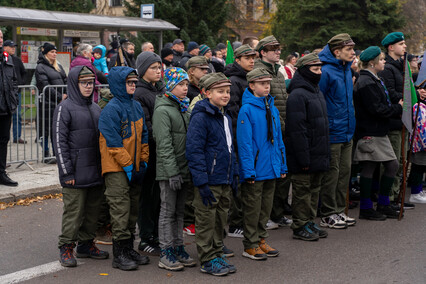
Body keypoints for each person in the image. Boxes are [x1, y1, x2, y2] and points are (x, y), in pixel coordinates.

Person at [54, 66, 109, 267]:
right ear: (74, 84)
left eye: (91, 82)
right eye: (84, 82)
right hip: (75, 173)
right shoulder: (64, 107)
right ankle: (66, 246)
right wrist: (67, 172)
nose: (88, 86)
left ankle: (86, 244)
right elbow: (59, 143)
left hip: (95, 172)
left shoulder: (96, 108)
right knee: (74, 212)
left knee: (93, 211)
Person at [186, 72, 238, 276]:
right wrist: (201, 181)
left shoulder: (225, 116)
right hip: (209, 180)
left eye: (227, 91)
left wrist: (233, 174)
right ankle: (207, 258)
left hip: (224, 178)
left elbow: (229, 147)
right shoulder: (201, 117)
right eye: (219, 91)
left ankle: (216, 251)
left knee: (219, 219)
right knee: (206, 220)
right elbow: (194, 150)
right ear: (206, 93)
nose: (225, 95)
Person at [99, 67, 150, 271]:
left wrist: (143, 161)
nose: (133, 85)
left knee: (132, 210)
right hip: (117, 168)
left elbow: (144, 135)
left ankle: (128, 248)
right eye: (129, 82)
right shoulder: (110, 109)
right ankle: (119, 254)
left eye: (134, 82)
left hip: (135, 166)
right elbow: (113, 144)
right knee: (120, 210)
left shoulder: (136, 106)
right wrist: (128, 165)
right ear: (119, 84)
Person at [237, 68, 287, 260]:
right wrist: (248, 170)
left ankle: (261, 239)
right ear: (252, 86)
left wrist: (282, 165)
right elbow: (245, 143)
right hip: (256, 170)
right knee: (253, 208)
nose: (266, 86)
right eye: (262, 83)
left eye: (268, 83)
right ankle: (250, 243)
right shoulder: (246, 110)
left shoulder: (272, 108)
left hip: (272, 167)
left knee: (265, 208)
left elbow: (279, 140)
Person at [152, 67, 195, 271]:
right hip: (170, 171)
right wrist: (172, 172)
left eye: (186, 84)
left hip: (184, 169)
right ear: (170, 85)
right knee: (168, 211)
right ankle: (166, 251)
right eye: (180, 84)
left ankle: (178, 246)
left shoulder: (183, 107)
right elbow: (164, 145)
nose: (185, 88)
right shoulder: (163, 110)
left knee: (179, 212)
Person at [353, 46, 403, 220]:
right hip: (371, 130)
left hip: (377, 129)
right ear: (373, 63)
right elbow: (376, 109)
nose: (384, 62)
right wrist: (398, 108)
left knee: (382, 165)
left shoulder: (373, 79)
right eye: (381, 59)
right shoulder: (366, 82)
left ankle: (381, 204)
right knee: (382, 165)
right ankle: (368, 207)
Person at [285, 53, 330, 241]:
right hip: (304, 154)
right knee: (302, 192)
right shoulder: (297, 95)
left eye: (320, 69)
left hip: (317, 151)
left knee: (313, 190)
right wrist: (303, 158)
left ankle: (309, 221)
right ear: (304, 71)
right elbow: (297, 130)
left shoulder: (316, 91)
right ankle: (299, 225)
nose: (319, 72)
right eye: (315, 69)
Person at [317, 33, 357, 228]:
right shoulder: (325, 72)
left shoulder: (346, 70)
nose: (353, 52)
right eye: (349, 49)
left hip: (348, 129)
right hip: (333, 130)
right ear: (336, 51)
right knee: (332, 174)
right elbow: (320, 100)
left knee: (344, 172)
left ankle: (339, 210)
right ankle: (327, 212)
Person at [254, 35, 292, 229]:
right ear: (262, 52)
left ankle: (277, 213)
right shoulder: (258, 72)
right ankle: (265, 216)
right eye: (273, 48)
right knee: (267, 176)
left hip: (282, 128)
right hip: (269, 130)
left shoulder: (278, 72)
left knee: (282, 174)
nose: (278, 51)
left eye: (279, 48)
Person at [378, 32, 414, 210]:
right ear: (391, 47)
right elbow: (390, 93)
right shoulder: (388, 68)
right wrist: (407, 97)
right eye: (401, 44)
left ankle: (398, 195)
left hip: (404, 120)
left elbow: (408, 88)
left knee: (403, 160)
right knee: (394, 161)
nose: (405, 46)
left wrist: (415, 94)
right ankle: (389, 197)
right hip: (394, 121)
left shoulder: (402, 65)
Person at [133, 51, 165, 256]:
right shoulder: (139, 94)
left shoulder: (160, 89)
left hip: (162, 150)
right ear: (143, 70)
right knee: (147, 196)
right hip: (149, 151)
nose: (158, 71)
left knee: (158, 197)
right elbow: (147, 125)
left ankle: (155, 234)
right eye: (153, 68)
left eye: (159, 67)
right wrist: (164, 135)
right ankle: (145, 237)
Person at [223, 44, 256, 238]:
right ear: (237, 59)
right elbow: (234, 112)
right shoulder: (235, 81)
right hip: (238, 136)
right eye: (247, 57)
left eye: (253, 57)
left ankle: (242, 219)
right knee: (239, 180)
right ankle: (235, 222)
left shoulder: (249, 79)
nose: (251, 60)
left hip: (249, 136)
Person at [35, 42, 67, 164]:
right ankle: (46, 154)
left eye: (55, 52)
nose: (54, 54)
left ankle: (56, 154)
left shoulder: (57, 65)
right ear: (46, 53)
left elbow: (65, 79)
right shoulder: (40, 67)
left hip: (59, 103)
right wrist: (59, 97)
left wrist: (66, 93)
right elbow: (45, 85)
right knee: (45, 130)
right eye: (52, 52)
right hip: (47, 104)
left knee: (56, 129)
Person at [0, 30, 19, 186]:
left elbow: (13, 81)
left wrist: (14, 99)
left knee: (3, 141)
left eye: (1, 37)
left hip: (5, 107)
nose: (0, 40)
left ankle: (1, 174)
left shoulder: (7, 58)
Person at [4, 40, 27, 144]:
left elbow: (24, 73)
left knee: (17, 115)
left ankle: (17, 137)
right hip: (3, 92)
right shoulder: (3, 59)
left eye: (14, 46)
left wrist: (21, 83)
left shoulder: (17, 60)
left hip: (16, 92)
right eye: (11, 46)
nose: (13, 48)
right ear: (5, 47)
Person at [408, 74, 426, 203]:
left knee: (422, 164)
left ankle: (418, 189)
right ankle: (415, 192)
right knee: (419, 163)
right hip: (421, 134)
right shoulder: (417, 83)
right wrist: (417, 92)